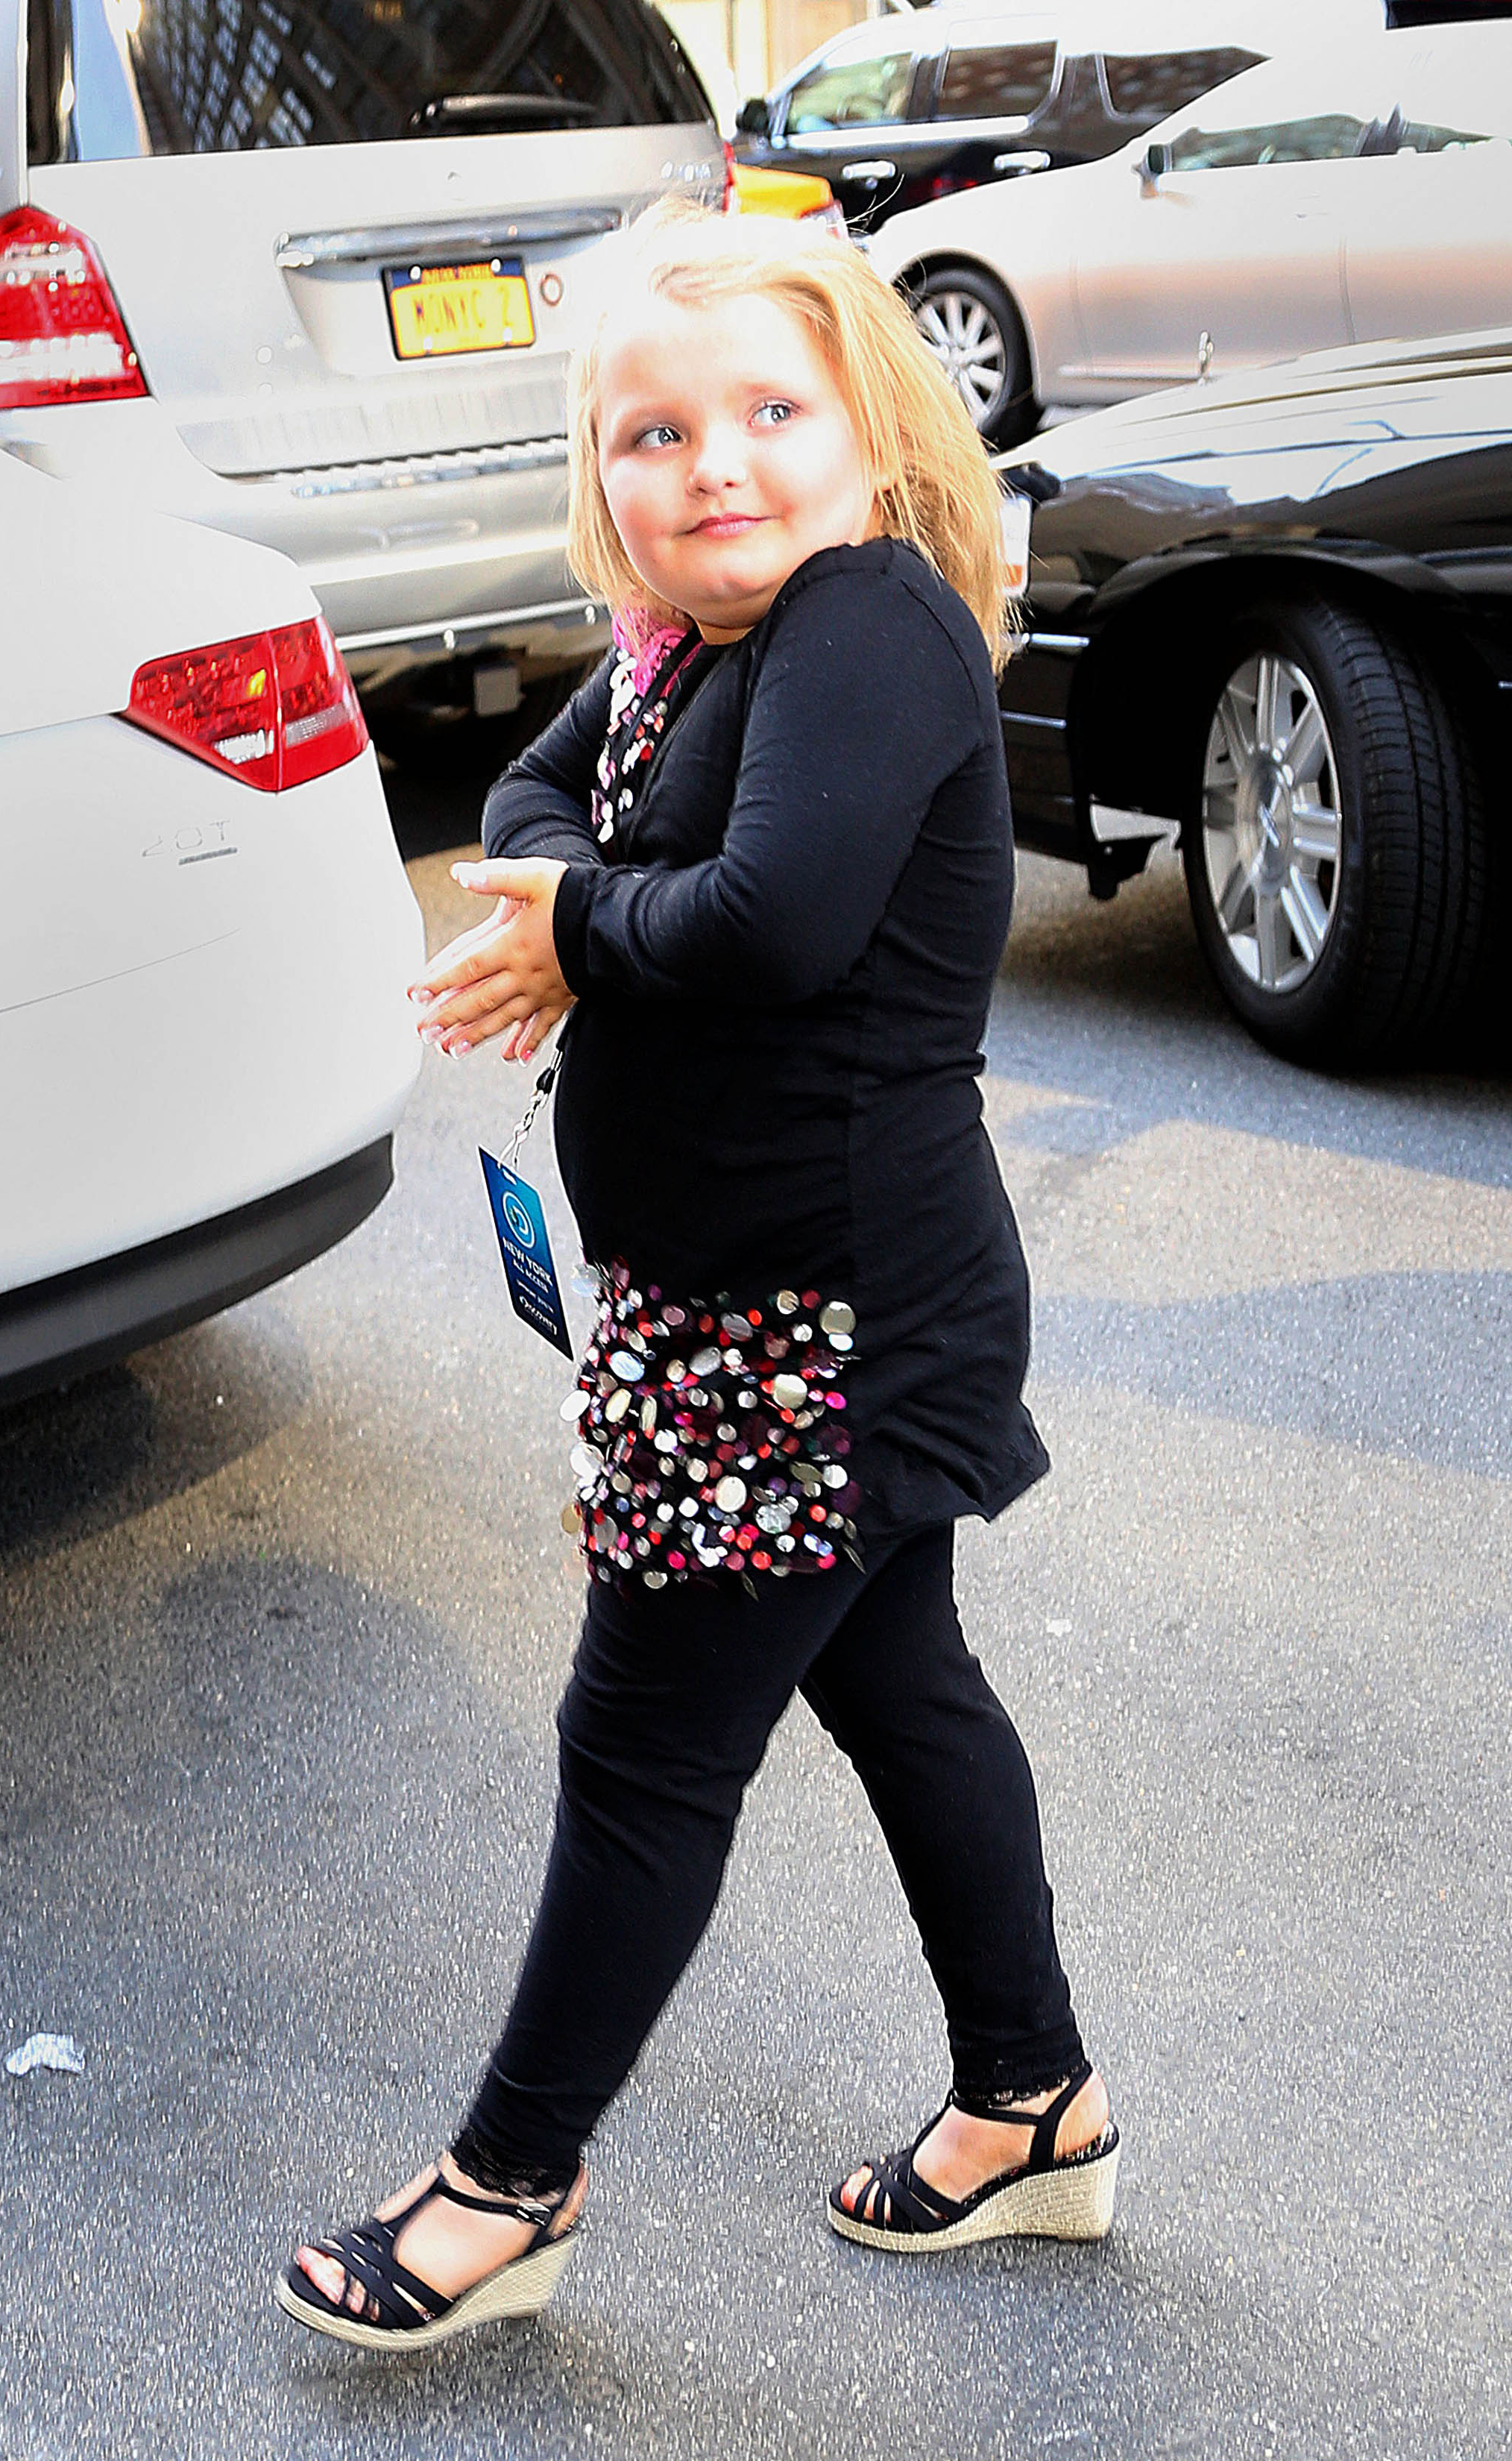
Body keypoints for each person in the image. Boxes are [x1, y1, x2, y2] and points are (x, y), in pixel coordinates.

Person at [276, 201, 1117, 2356]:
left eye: (766, 410)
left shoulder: (867, 620)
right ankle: (1032, 2103)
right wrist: (572, 883)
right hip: (740, 1305)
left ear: (871, 430)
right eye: (651, 432)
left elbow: (772, 921)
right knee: (898, 1679)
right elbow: (531, 793)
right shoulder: (674, 644)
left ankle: (508, 2182)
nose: (711, 461)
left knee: (643, 1740)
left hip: (817, 1325)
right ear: (602, 476)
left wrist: (576, 928)